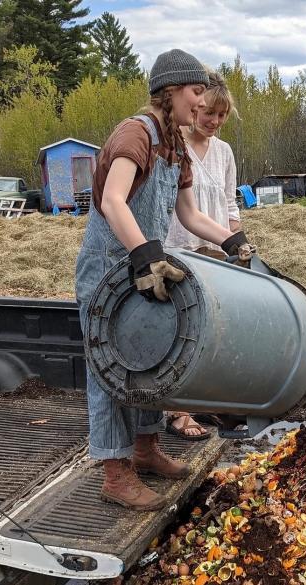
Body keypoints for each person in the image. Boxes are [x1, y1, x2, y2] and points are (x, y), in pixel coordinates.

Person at [75, 49, 253, 512]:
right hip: (110, 269)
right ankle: (115, 473)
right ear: (170, 90)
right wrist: (145, 256)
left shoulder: (176, 146)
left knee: (154, 357)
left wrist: (234, 241)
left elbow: (190, 215)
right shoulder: (136, 133)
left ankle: (146, 448)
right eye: (196, 92)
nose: (200, 103)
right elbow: (114, 201)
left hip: (147, 266)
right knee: (111, 367)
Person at [163, 71, 241, 440]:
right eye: (209, 112)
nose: (213, 121)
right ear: (195, 106)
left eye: (221, 116)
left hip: (213, 248)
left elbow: (228, 202)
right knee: (179, 328)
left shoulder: (224, 152)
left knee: (209, 328)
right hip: (177, 247)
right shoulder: (174, 142)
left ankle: (202, 401)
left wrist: (237, 243)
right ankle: (177, 411)